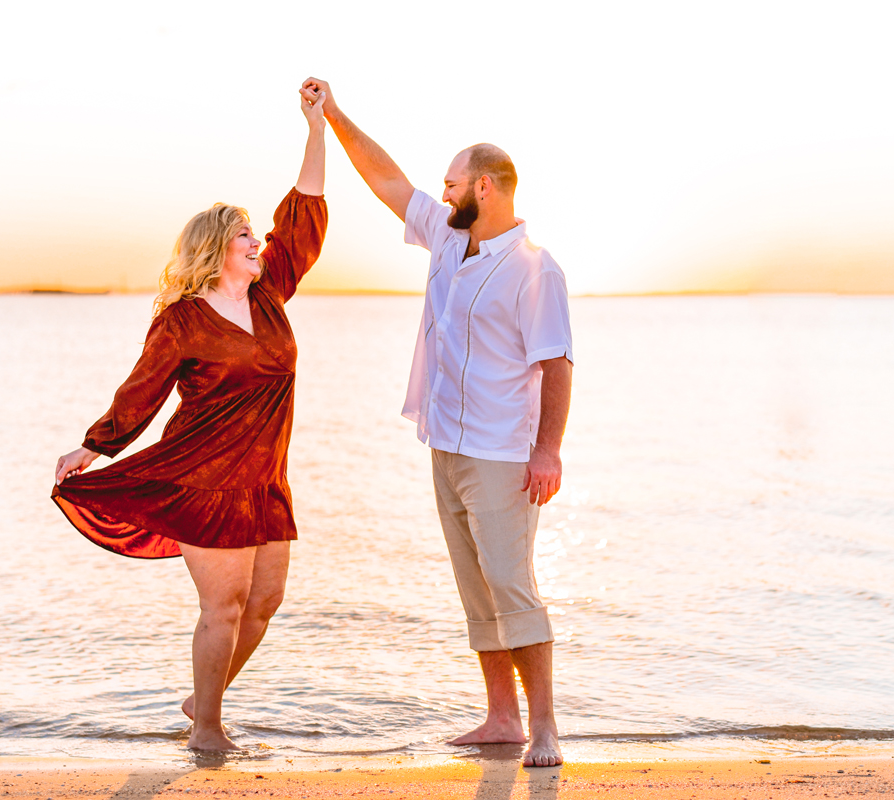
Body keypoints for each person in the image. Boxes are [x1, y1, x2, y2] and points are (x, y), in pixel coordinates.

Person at [300, 78, 573, 768]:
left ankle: (544, 728)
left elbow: (560, 364)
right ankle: (501, 718)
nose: (441, 194)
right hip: (444, 446)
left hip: (503, 454)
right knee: (476, 588)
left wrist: (549, 451)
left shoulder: (538, 270)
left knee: (513, 586)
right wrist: (332, 114)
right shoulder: (450, 243)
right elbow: (385, 178)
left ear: (485, 187)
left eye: (452, 185)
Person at [51, 90, 329, 751]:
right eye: (244, 235)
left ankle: (200, 700)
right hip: (206, 482)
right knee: (223, 609)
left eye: (256, 235)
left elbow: (305, 215)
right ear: (216, 247)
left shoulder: (269, 293)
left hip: (267, 482)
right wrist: (95, 445)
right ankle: (207, 729)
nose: (259, 241)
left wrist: (315, 126)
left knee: (263, 606)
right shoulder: (180, 321)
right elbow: (140, 393)